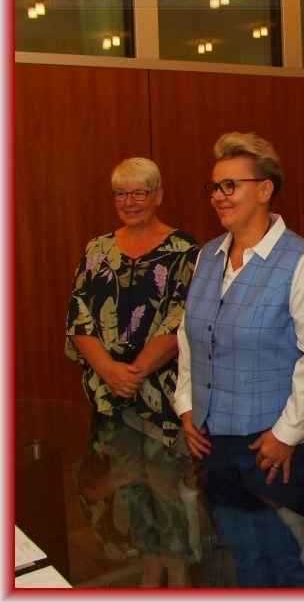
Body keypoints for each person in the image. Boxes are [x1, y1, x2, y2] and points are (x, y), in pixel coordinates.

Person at [173, 132, 304, 587]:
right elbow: (190, 337)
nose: (219, 196)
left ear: (265, 189)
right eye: (214, 187)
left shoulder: (303, 262)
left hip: (274, 443)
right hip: (215, 441)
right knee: (241, 555)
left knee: (287, 560)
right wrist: (186, 405)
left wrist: (287, 434)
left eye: (231, 185)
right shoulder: (207, 257)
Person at [66, 157, 199, 586]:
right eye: (121, 193)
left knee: (167, 486)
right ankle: (149, 567)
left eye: (139, 192)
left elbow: (182, 319)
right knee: (127, 484)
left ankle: (178, 574)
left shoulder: (185, 251)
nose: (130, 201)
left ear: (158, 195)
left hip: (162, 396)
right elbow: (79, 319)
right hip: (111, 395)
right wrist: (110, 371)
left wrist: (135, 372)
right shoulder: (97, 250)